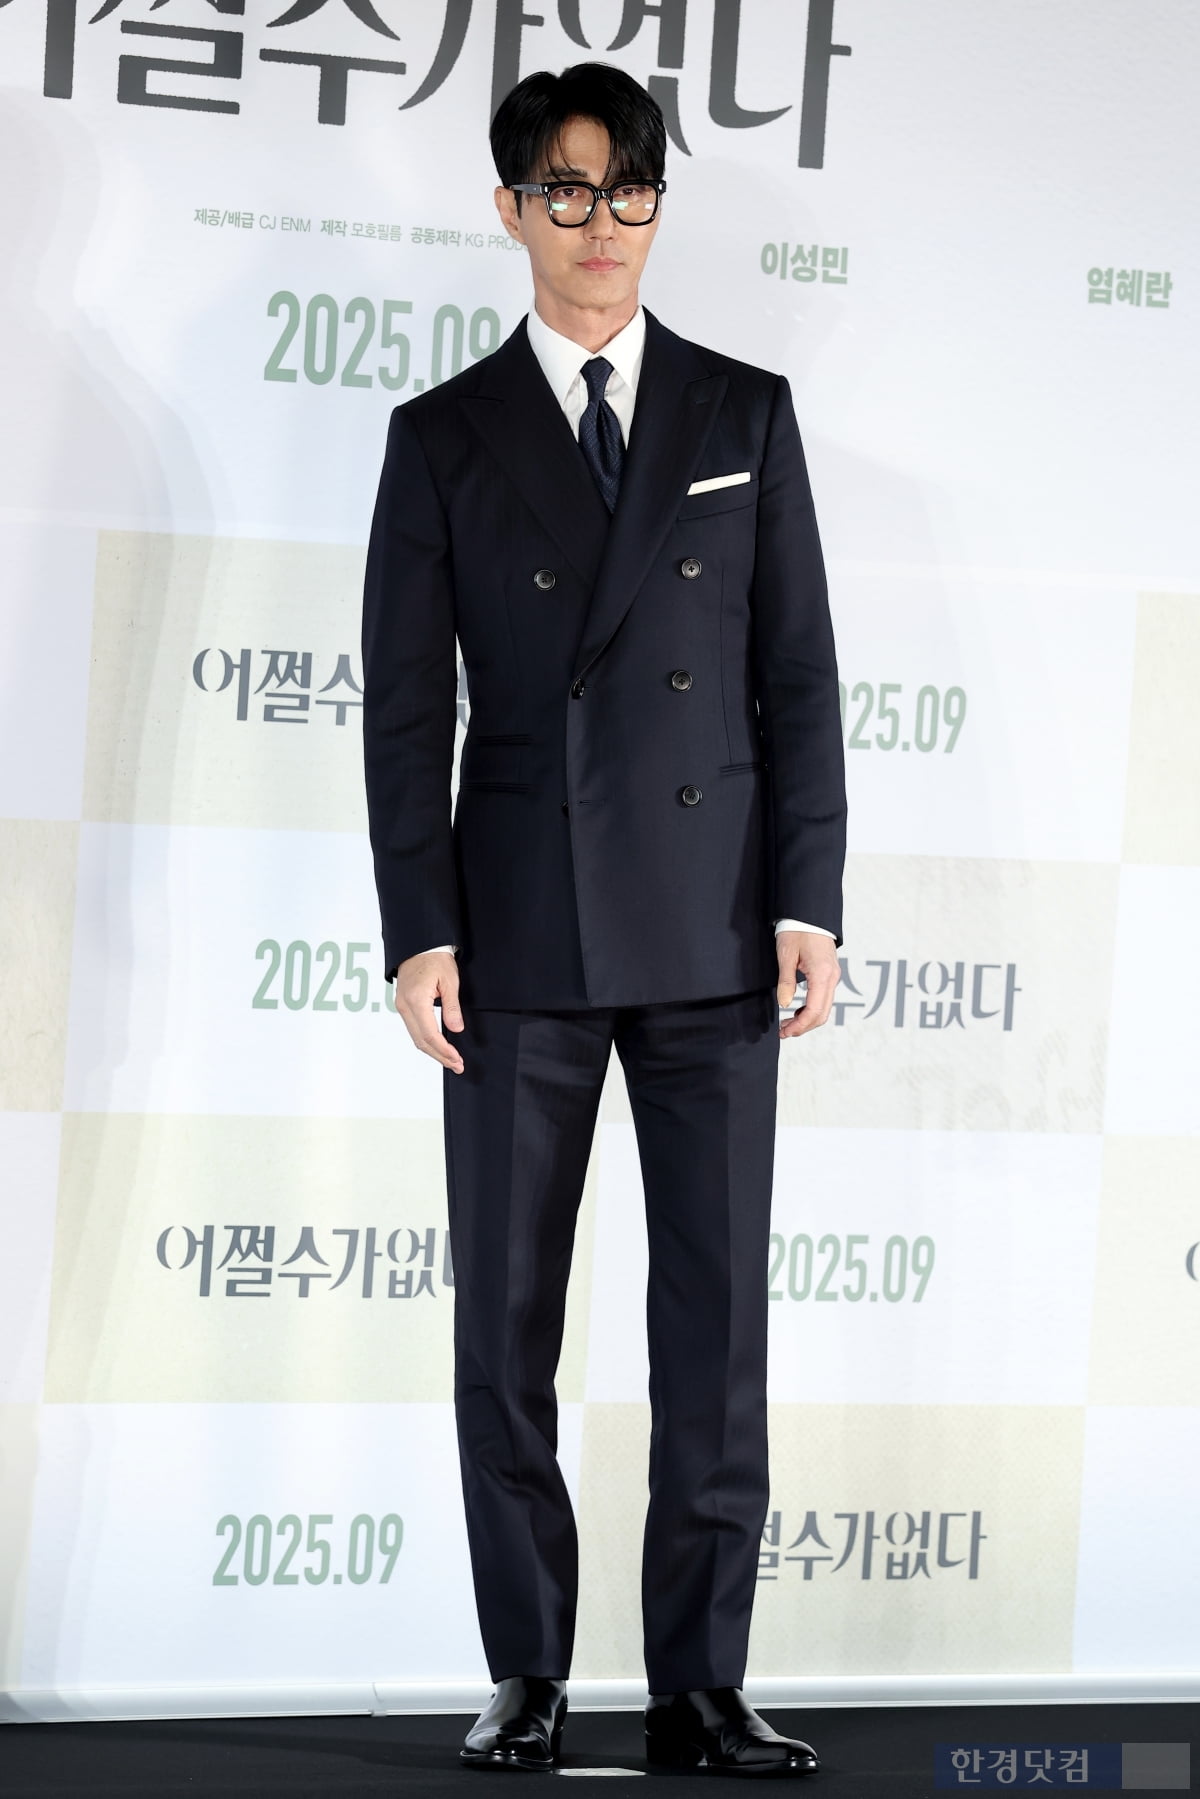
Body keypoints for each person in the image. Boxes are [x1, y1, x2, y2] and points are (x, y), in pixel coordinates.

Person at [362, 62, 846, 1777]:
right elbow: (405, 711)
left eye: (630, 189)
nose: (602, 224)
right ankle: (530, 1672)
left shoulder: (741, 412)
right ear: (511, 209)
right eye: (566, 191)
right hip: (516, 936)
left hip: (715, 928)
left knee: (714, 1327)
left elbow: (798, 679)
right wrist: (420, 928)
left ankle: (702, 1685)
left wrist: (807, 899)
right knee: (504, 1323)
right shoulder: (444, 435)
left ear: (657, 204)